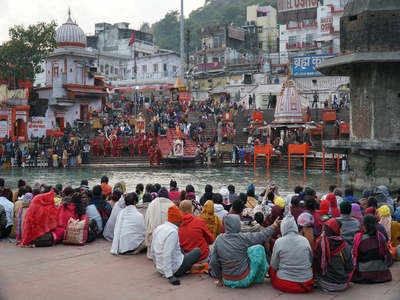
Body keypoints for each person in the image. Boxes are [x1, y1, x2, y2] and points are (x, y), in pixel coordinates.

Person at [210, 214, 279, 288]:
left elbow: (213, 261)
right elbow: (261, 235)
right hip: (244, 280)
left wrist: (220, 278)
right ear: (237, 225)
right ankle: (258, 278)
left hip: (226, 280)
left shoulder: (219, 239)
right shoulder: (243, 238)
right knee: (259, 248)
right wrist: (274, 225)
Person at [151, 206, 201, 286]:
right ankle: (179, 269)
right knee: (197, 251)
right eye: (181, 221)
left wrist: (157, 264)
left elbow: (152, 249)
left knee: (179, 248)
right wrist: (170, 276)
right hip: (174, 269)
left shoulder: (159, 228)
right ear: (177, 221)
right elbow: (167, 254)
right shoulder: (173, 232)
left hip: (160, 267)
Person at [270, 215, 314, 293]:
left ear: (283, 228)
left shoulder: (279, 241)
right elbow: (310, 261)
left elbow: (274, 265)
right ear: (295, 227)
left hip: (285, 283)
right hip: (306, 283)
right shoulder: (304, 240)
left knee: (271, 268)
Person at [314, 218, 353, 292]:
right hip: (342, 284)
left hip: (325, 283)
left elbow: (316, 266)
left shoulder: (320, 243)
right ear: (337, 230)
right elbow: (350, 267)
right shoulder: (344, 245)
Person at [351, 215, 392, 284]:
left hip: (364, 273)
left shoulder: (358, 238)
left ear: (364, 225)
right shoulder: (380, 237)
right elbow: (385, 254)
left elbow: (355, 256)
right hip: (381, 273)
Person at [144, 187, 174, 259]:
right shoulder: (172, 205)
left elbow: (146, 222)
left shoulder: (152, 205)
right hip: (167, 247)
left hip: (152, 246)